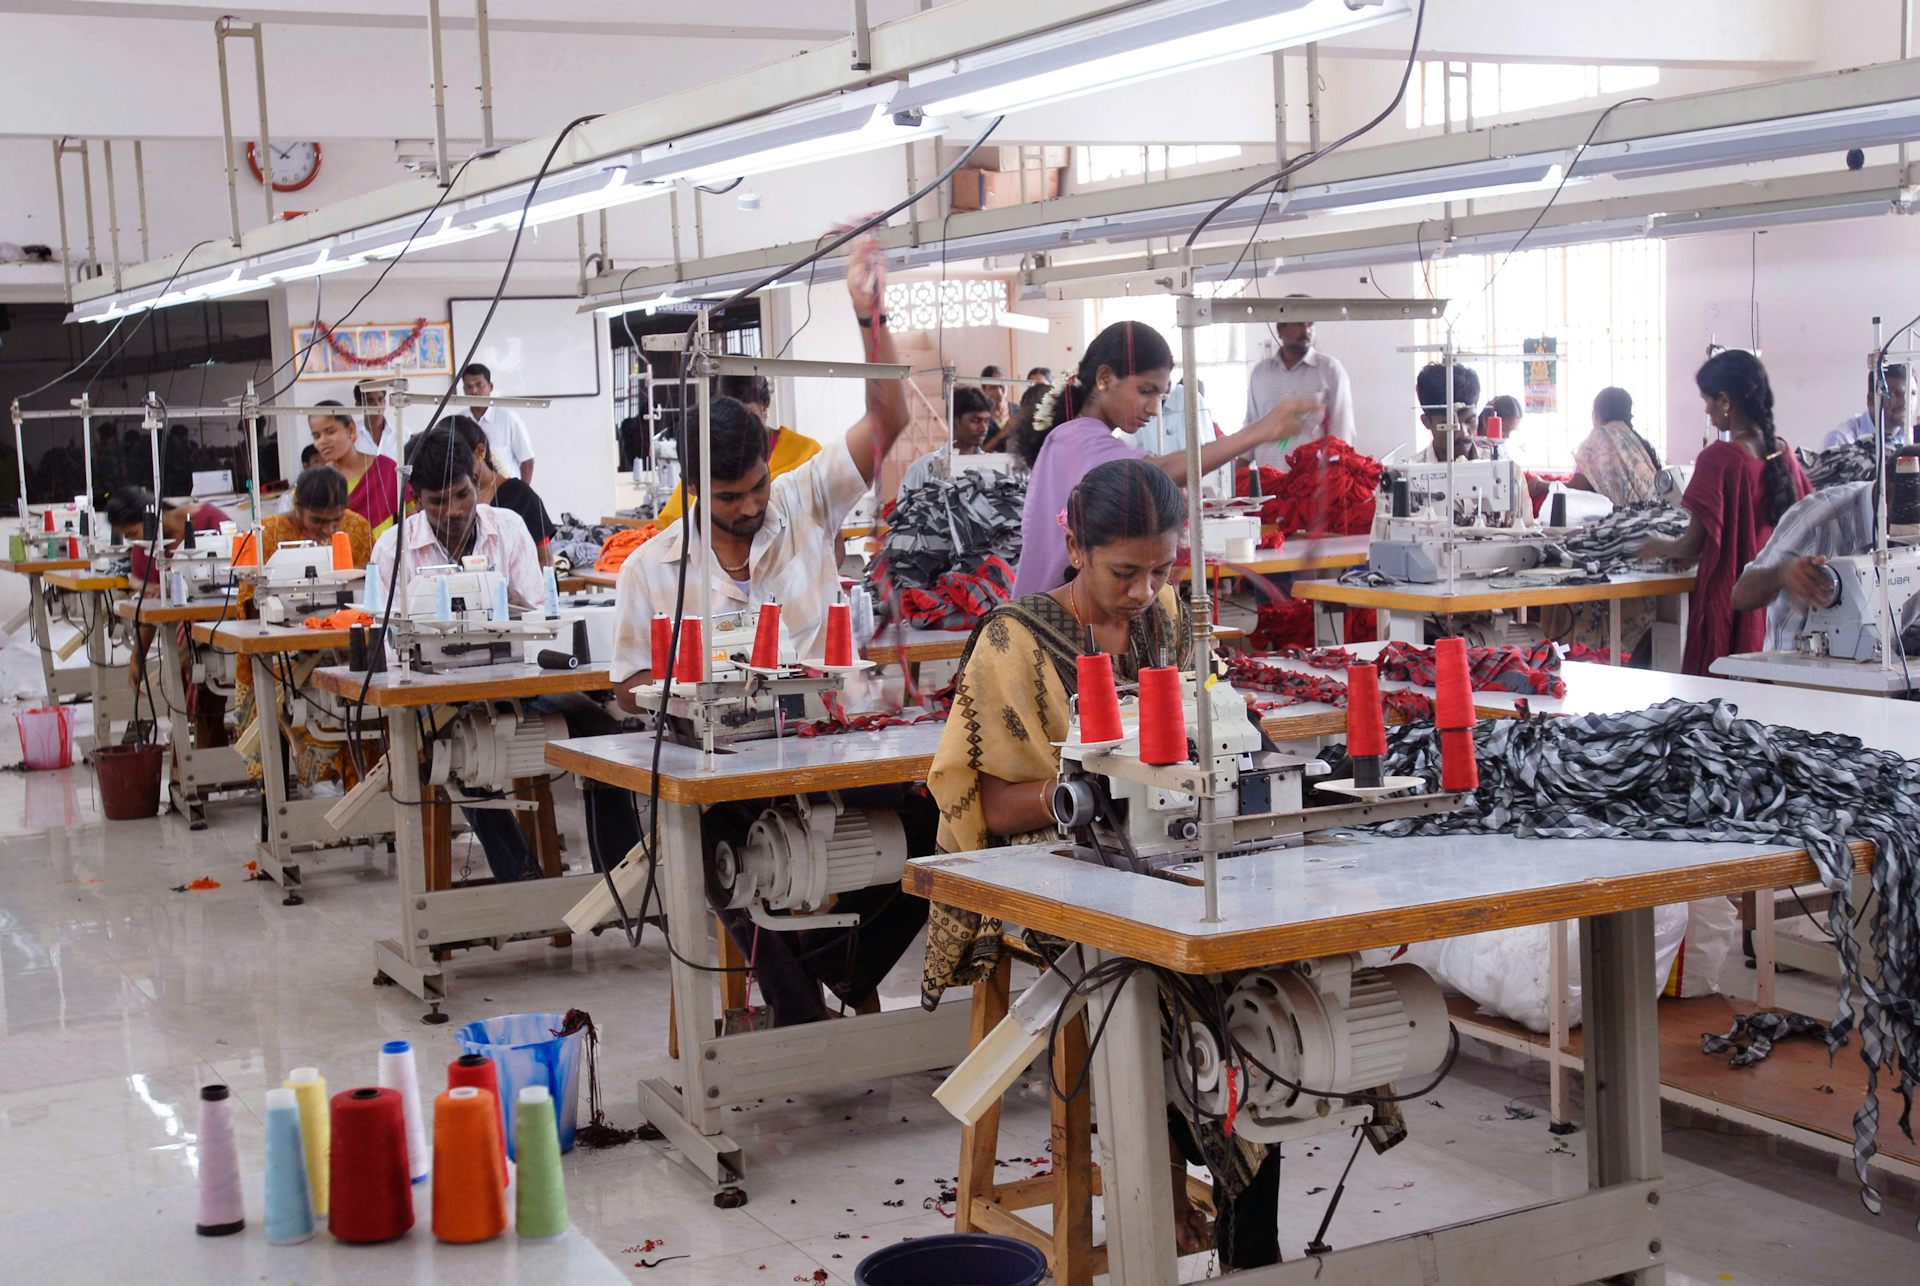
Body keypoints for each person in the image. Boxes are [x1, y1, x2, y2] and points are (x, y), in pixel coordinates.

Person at [923, 459, 1287, 1267]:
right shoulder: (1012, 640)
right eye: (1126, 570)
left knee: (1265, 982)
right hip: (1047, 871)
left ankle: (1245, 1235)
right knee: (1153, 980)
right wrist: (1097, 781)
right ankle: (1161, 1185)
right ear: (1074, 544)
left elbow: (1217, 733)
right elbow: (982, 802)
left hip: (1163, 861)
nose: (1143, 589)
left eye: (1162, 568)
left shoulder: (1169, 620)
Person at [611, 236, 929, 1025]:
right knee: (715, 854)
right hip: (723, 770)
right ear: (693, 488)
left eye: (755, 488)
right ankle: (800, 1012)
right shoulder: (650, 569)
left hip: (835, 742)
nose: (750, 508)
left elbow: (888, 414)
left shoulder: (804, 499)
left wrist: (869, 316)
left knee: (937, 829)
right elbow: (623, 691)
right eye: (729, 498)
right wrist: (674, 697)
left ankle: (849, 971)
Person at [1011, 319, 1321, 598]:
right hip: (1048, 619)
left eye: (1159, 396)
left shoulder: (1082, 439)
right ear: (1105, 377)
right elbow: (1153, 470)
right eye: (1145, 391)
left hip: (1054, 611)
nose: (1154, 409)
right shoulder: (1075, 439)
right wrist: (1256, 432)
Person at [369, 426, 549, 884]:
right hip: (436, 696)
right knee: (455, 750)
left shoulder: (507, 529)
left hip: (515, 682)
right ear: (415, 499)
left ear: (476, 478)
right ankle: (523, 878)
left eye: (462, 494)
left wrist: (502, 596)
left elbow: (541, 623)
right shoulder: (394, 549)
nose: (454, 511)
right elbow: (390, 651)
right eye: (437, 502)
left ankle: (615, 879)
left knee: (597, 727)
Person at [1639, 349, 1811, 676]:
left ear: (1725, 400)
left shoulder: (1718, 459)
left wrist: (1653, 546)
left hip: (1735, 599)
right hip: (1780, 605)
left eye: (1708, 400)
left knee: (1719, 704)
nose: (1706, 409)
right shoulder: (1784, 455)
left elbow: (1690, 546)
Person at [233, 467, 373, 788]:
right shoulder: (267, 533)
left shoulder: (357, 528)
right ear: (297, 506)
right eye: (318, 521)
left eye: (335, 520)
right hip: (281, 650)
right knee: (299, 699)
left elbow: (367, 587)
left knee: (364, 705)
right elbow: (249, 602)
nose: (328, 529)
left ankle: (361, 787)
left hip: (342, 644)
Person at [1731, 454, 1920, 651]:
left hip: (1881, 671)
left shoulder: (1908, 532)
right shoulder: (1817, 521)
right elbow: (1741, 595)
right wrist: (1783, 574)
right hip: (1794, 673)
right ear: (1889, 494)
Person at [655, 374, 823, 526]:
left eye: (748, 420)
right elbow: (673, 524)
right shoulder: (707, 467)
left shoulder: (808, 454)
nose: (738, 434)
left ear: (765, 405)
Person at [1243, 304, 1355, 466]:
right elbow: (1251, 426)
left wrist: (1336, 482)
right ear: (1280, 328)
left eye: (1310, 324)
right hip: (1267, 482)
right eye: (1299, 323)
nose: (1306, 330)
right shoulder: (1261, 373)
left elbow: (1342, 432)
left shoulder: (1330, 370)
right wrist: (1238, 478)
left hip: (1313, 484)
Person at [443, 415, 558, 565]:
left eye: (457, 458)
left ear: (480, 452)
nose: (452, 467)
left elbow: (545, 561)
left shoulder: (521, 497)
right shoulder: (447, 500)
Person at [308, 400, 400, 537]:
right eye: (317, 436)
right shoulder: (316, 482)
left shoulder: (386, 470)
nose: (323, 441)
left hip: (386, 557)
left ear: (351, 429)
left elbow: (410, 523)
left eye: (330, 431)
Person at [1570, 387, 1662, 507]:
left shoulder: (1597, 440)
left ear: (1596, 414)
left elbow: (1578, 488)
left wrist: (1541, 485)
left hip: (1619, 520)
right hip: (1653, 515)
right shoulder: (1636, 442)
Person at [898, 386, 995, 495]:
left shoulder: (992, 468)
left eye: (986, 421)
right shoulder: (923, 469)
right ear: (954, 422)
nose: (983, 428)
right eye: (976, 420)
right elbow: (905, 510)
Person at [460, 363, 537, 484]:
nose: (474, 391)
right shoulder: (460, 421)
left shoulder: (508, 418)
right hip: (473, 493)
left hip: (506, 491)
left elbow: (527, 461)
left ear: (490, 387)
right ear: (464, 390)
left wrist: (522, 494)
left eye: (479, 385)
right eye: (468, 386)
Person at [1822, 364, 1910, 450]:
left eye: (1912, 393)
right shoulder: (1841, 440)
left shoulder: (1913, 437)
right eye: (1895, 394)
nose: (1905, 402)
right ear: (1871, 399)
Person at [1412, 361, 1482, 462]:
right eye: (1449, 424)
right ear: (1426, 422)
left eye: (1470, 420)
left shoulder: (1502, 464)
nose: (1463, 433)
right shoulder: (1409, 473)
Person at [352, 380, 401, 464]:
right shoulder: (350, 436)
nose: (377, 405)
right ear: (358, 404)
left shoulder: (402, 435)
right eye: (370, 400)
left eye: (380, 399)